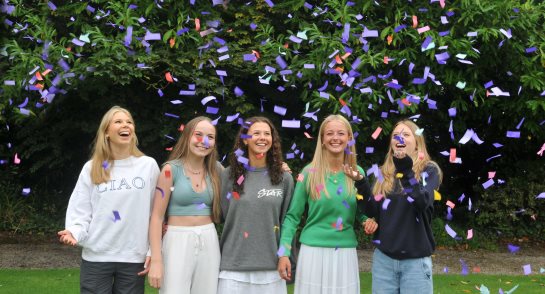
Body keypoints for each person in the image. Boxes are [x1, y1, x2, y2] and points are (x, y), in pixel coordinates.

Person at [58, 106, 160, 294]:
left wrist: (153, 252)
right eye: (119, 121)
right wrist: (74, 232)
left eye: (129, 122)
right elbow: (81, 210)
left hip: (133, 256)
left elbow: (157, 213)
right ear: (106, 132)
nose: (125, 125)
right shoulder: (92, 167)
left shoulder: (148, 166)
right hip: (97, 255)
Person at [277, 114, 378, 294]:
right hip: (312, 253)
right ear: (322, 139)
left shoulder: (357, 173)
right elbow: (292, 217)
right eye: (329, 133)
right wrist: (284, 252)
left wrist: (365, 220)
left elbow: (359, 211)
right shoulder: (309, 173)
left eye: (341, 133)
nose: (335, 138)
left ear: (348, 138)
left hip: (344, 253)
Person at [356, 119, 442, 294]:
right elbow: (373, 211)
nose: (399, 138)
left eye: (405, 134)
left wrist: (405, 169)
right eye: (396, 135)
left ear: (417, 143)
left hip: (415, 262)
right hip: (384, 260)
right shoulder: (383, 173)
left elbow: (422, 201)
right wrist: (361, 183)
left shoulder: (430, 170)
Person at [218, 116, 294, 294]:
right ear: (245, 140)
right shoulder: (228, 176)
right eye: (256, 133)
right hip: (233, 269)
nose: (262, 137)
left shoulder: (285, 179)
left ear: (272, 141)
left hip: (272, 269)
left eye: (267, 134)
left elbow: (288, 221)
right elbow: (220, 215)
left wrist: (284, 254)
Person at [147, 116, 222, 294]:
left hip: (209, 240)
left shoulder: (216, 170)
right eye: (198, 135)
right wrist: (156, 260)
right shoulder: (170, 170)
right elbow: (157, 218)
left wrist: (276, 166)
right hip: (177, 241)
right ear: (187, 136)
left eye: (210, 137)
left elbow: (247, 178)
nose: (204, 141)